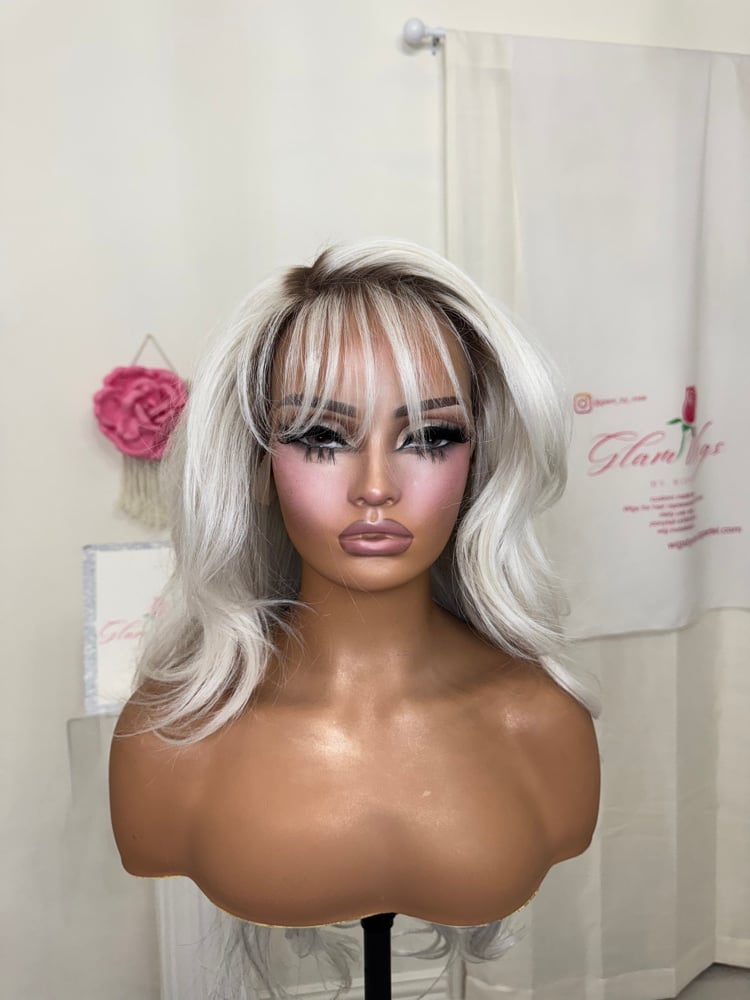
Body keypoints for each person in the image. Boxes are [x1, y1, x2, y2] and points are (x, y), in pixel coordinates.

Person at [109, 240, 600, 979]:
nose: (376, 486)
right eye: (321, 437)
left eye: (430, 437)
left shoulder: (540, 720)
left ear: (478, 464)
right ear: (258, 464)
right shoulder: (170, 737)